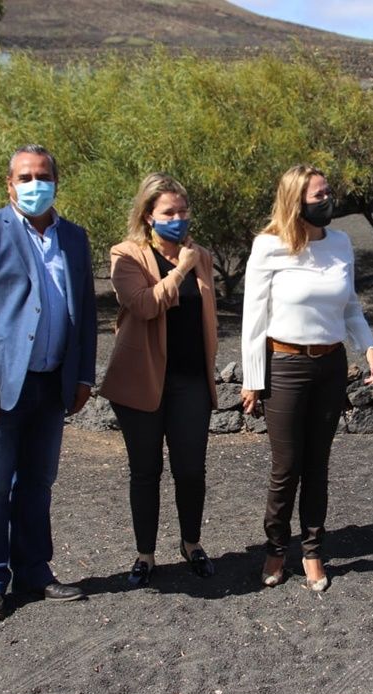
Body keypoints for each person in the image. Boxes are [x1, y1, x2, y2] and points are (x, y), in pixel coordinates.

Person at [0, 144, 97, 622]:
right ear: (9, 185)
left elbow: (87, 314)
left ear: (56, 180)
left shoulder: (73, 238)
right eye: (25, 177)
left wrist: (84, 374)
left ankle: (33, 570)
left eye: (43, 175)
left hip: (52, 383)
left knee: (37, 483)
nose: (36, 185)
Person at [241, 164, 373, 592]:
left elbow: (351, 305)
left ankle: (313, 552)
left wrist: (369, 345)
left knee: (317, 465)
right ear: (295, 202)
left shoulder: (340, 243)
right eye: (317, 196)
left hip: (330, 365)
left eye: (328, 192)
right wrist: (252, 379)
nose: (327, 201)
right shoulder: (269, 247)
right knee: (286, 466)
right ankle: (275, 549)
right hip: (285, 364)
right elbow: (254, 318)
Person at [98, 173, 219, 587]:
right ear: (149, 215)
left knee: (190, 470)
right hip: (141, 381)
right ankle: (145, 555)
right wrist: (180, 270)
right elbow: (146, 305)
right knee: (145, 471)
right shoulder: (126, 254)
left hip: (190, 381)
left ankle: (191, 544)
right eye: (170, 212)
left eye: (184, 211)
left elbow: (207, 317)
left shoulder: (200, 255)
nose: (179, 218)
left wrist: (189, 263)